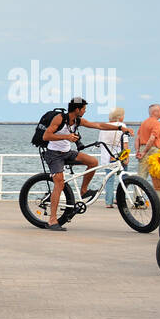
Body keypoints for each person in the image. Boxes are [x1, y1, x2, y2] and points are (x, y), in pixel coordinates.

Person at [38, 97, 131, 230]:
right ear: (77, 109)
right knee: (59, 183)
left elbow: (99, 125)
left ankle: (84, 190)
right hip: (54, 154)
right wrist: (67, 137)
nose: (85, 111)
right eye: (84, 109)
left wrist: (120, 128)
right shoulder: (59, 118)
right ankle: (52, 220)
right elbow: (46, 136)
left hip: (67, 152)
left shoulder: (77, 120)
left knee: (93, 162)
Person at [101, 107, 128, 208]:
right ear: (120, 117)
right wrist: (126, 157)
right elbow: (125, 144)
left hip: (107, 156)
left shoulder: (104, 127)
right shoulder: (121, 126)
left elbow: (101, 143)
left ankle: (108, 202)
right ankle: (120, 198)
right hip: (119, 156)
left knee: (109, 179)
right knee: (124, 177)